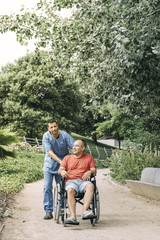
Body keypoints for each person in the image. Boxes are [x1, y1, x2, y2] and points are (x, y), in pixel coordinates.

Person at [42, 119, 74, 220]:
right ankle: (48, 211)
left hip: (63, 167)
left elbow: (74, 147)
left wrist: (74, 158)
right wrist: (61, 162)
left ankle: (61, 209)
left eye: (55, 126)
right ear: (48, 128)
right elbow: (50, 152)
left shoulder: (65, 135)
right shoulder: (46, 136)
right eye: (51, 127)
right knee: (47, 187)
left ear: (57, 126)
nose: (53, 129)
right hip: (50, 165)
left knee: (62, 188)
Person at [58, 139, 96, 224]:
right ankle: (73, 217)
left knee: (90, 185)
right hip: (71, 182)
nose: (74, 147)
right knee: (70, 190)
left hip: (83, 182)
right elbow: (60, 170)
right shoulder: (67, 158)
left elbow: (94, 169)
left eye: (77, 146)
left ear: (83, 148)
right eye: (73, 146)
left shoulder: (89, 157)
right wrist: (63, 171)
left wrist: (89, 171)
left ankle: (85, 212)